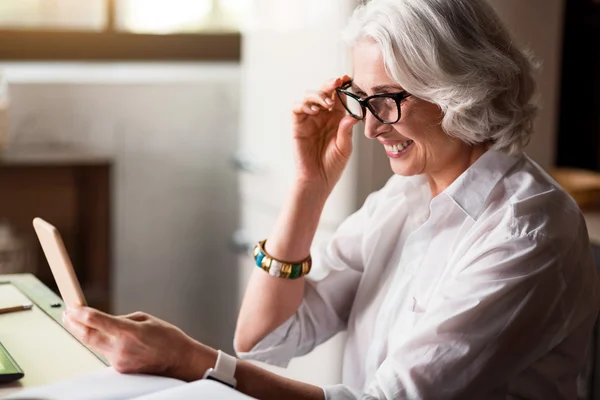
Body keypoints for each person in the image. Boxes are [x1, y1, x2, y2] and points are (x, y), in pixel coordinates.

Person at [63, 0, 600, 398]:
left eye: (386, 100)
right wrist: (307, 187)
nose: (368, 128)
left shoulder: (529, 233)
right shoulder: (404, 197)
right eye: (359, 100)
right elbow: (265, 337)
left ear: (460, 88)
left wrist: (191, 360)